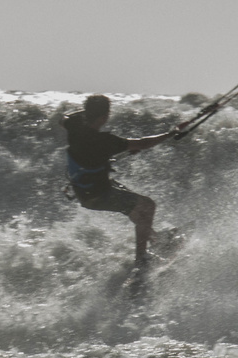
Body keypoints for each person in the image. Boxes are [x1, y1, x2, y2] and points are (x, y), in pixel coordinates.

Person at [60, 94, 178, 293]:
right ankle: (142, 262)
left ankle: (156, 241)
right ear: (104, 117)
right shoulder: (104, 141)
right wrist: (170, 134)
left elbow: (62, 118)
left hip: (85, 192)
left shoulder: (75, 126)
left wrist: (86, 114)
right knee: (147, 206)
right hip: (99, 194)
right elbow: (142, 143)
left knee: (136, 208)